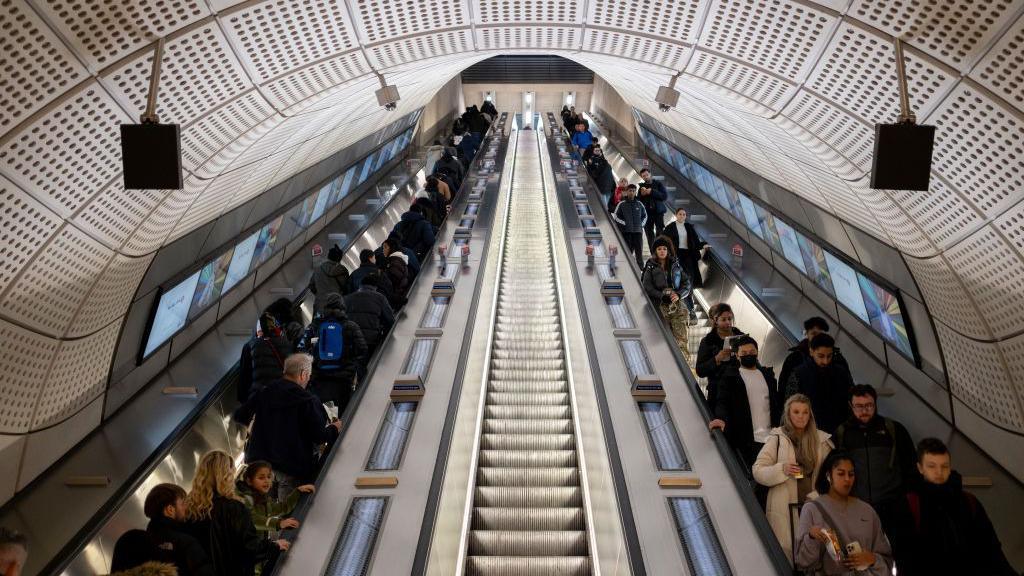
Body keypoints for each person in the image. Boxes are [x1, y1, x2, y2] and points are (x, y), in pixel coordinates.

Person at [892, 438, 1016, 576]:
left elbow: (991, 549)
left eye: (944, 466)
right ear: (920, 468)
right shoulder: (909, 505)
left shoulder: (968, 501)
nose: (939, 472)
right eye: (932, 466)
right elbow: (905, 558)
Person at [233, 354, 342, 498]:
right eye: (308, 375)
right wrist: (335, 427)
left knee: (264, 512)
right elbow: (319, 436)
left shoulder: (265, 391)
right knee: (288, 515)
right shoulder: (307, 401)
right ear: (303, 375)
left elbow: (239, 415)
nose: (309, 378)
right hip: (292, 467)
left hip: (260, 465)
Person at [753, 394, 833, 563]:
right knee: (785, 556)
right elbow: (758, 470)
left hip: (812, 505)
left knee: (813, 557)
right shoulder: (778, 438)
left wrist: (818, 494)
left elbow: (830, 476)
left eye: (805, 412)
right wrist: (781, 469)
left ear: (810, 414)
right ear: (788, 414)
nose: (801, 416)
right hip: (784, 505)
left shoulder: (822, 440)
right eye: (796, 412)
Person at [833, 384, 916, 540]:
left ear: (875, 404)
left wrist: (904, 499)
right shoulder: (842, 434)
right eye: (859, 406)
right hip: (856, 508)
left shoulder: (894, 430)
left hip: (893, 509)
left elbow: (911, 466)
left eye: (869, 405)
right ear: (851, 406)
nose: (864, 411)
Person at [185, 451, 287, 576]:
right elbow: (249, 548)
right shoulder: (234, 508)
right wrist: (274, 546)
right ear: (226, 476)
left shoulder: (190, 509)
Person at [795, 451, 893, 575]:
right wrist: (811, 538)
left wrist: (872, 559)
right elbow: (802, 562)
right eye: (841, 474)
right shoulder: (812, 509)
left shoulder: (867, 510)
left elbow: (887, 561)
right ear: (829, 475)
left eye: (851, 474)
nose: (847, 479)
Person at [708, 336, 783, 470]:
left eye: (752, 352)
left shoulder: (767, 375)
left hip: (771, 439)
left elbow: (776, 403)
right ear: (737, 355)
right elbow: (722, 401)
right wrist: (720, 418)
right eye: (744, 353)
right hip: (746, 440)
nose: (749, 355)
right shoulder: (730, 377)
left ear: (757, 352)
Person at [303, 293, 367, 408]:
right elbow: (362, 349)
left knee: (323, 411)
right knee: (342, 411)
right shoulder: (351, 326)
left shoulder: (315, 326)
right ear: (342, 307)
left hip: (320, 377)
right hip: (343, 378)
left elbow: (304, 348)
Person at [785, 333, 854, 434]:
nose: (825, 361)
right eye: (821, 356)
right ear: (811, 352)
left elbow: (851, 400)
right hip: (810, 434)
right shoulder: (799, 374)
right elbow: (790, 406)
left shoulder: (841, 372)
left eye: (829, 356)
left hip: (840, 434)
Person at [142, 483, 215, 576]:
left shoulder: (143, 544)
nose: (186, 507)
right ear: (170, 510)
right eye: (183, 503)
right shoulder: (186, 543)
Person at [642, 237, 692, 355]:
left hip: (678, 307)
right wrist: (661, 296)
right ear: (655, 251)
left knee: (682, 341)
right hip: (660, 307)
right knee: (663, 341)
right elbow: (647, 286)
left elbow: (687, 283)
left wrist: (679, 295)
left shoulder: (676, 265)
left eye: (664, 248)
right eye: (659, 249)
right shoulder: (650, 266)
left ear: (668, 250)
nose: (662, 251)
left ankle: (685, 368)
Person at [236, 461, 314, 537]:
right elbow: (251, 520)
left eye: (269, 477)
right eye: (261, 478)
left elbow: (283, 507)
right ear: (249, 481)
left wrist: (298, 491)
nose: (266, 481)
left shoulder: (264, 500)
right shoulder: (244, 499)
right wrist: (279, 523)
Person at [778, 317, 850, 393]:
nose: (817, 337)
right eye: (814, 333)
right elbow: (783, 389)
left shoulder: (837, 358)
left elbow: (849, 387)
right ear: (807, 333)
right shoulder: (794, 359)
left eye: (820, 334)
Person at [695, 302, 743, 412]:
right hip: (717, 392)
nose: (728, 322)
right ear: (715, 321)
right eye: (723, 319)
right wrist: (716, 359)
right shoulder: (708, 341)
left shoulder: (740, 336)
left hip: (739, 388)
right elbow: (700, 370)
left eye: (730, 319)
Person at [662, 207, 705, 321]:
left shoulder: (689, 227)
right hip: (676, 256)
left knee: (688, 282)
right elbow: (664, 241)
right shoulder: (670, 227)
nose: (682, 216)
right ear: (676, 215)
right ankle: (685, 310)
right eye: (680, 214)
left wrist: (703, 245)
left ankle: (691, 312)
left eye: (684, 214)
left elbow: (695, 242)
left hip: (688, 256)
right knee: (679, 283)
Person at [237, 313, 290, 403]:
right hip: (285, 396)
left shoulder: (250, 346)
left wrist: (244, 400)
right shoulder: (286, 344)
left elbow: (244, 376)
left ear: (259, 331)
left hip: (262, 400)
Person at [344, 273, 394, 357]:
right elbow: (390, 320)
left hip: (351, 339)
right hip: (371, 340)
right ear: (375, 287)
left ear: (360, 285)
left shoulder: (347, 298)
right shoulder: (380, 298)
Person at [610, 184, 647, 268]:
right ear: (626, 192)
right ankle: (628, 268)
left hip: (638, 232)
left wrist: (641, 225)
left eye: (634, 191)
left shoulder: (639, 204)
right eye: (630, 191)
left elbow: (645, 216)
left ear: (635, 192)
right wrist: (625, 224)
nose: (632, 192)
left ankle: (641, 270)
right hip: (626, 232)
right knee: (628, 251)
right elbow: (616, 216)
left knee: (639, 252)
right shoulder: (621, 204)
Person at [308, 244, 350, 313]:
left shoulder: (318, 269)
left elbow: (311, 285)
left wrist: (320, 294)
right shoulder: (343, 270)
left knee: (318, 322)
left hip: (320, 305)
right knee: (337, 322)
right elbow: (347, 288)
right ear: (339, 258)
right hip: (337, 305)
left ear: (328, 256)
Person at [637, 168, 668, 251]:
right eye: (643, 176)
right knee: (649, 234)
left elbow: (664, 196)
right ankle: (653, 253)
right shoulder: (641, 188)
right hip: (647, 214)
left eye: (647, 175)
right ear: (642, 177)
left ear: (650, 174)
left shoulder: (658, 184)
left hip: (658, 213)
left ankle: (661, 251)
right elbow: (638, 202)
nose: (646, 177)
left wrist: (652, 192)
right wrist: (641, 195)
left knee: (660, 233)